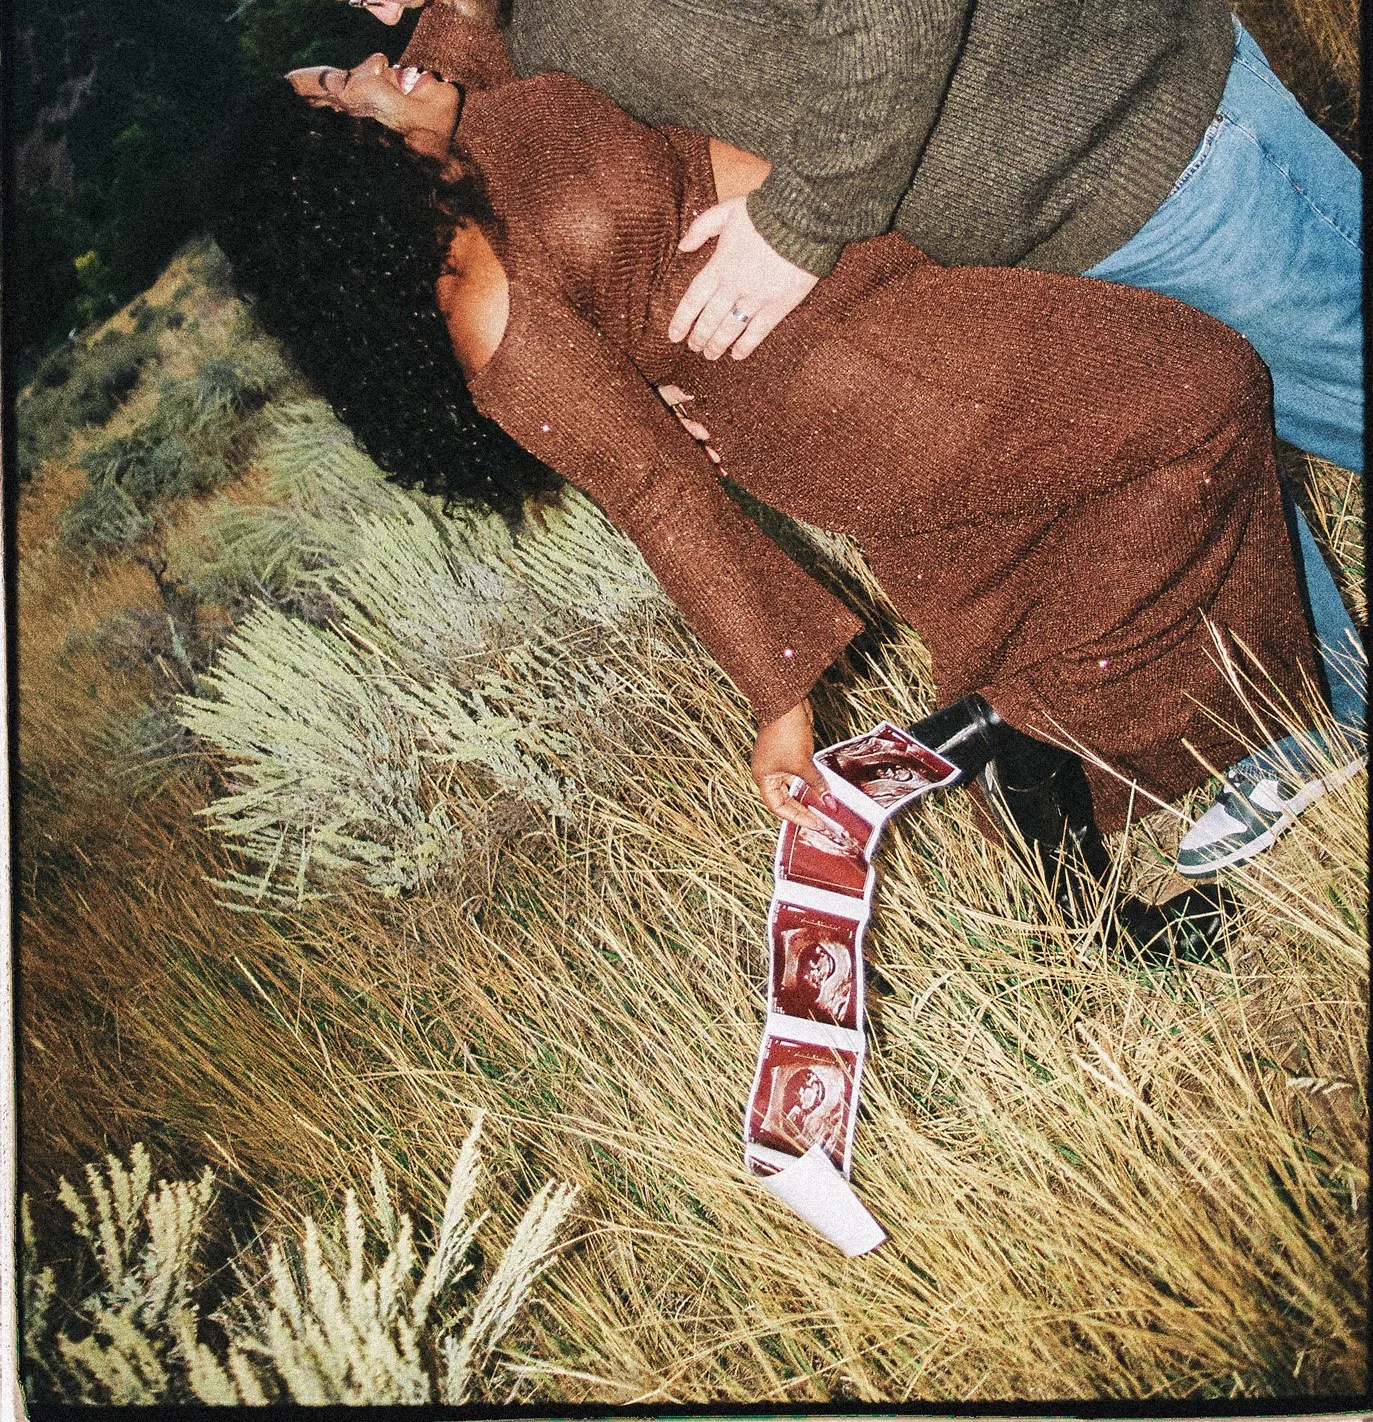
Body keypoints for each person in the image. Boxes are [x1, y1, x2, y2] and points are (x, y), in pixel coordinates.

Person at [248, 0, 1364, 874]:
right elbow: (623, 447)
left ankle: (1117, 729)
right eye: (356, 15)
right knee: (1188, 412)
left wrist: (794, 231)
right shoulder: (496, 29)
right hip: (920, 291)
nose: (380, 18)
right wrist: (774, 682)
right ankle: (1276, 714)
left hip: (1100, 134)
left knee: (1266, 402)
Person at [212, 52, 1327, 951]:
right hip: (846, 379)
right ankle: (1022, 721)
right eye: (332, 85)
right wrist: (777, 701)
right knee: (1201, 390)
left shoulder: (457, 110)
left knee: (1028, 546)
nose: (367, 60)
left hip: (866, 293)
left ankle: (1079, 888)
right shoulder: (484, 310)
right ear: (339, 167)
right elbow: (651, 487)